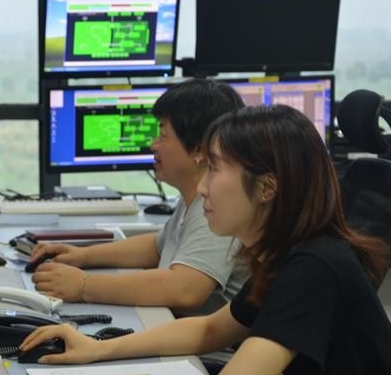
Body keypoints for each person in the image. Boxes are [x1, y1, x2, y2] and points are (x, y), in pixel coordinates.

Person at [21, 105, 391, 375]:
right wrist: (96, 349)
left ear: (267, 187)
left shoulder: (314, 269)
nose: (202, 187)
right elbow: (210, 329)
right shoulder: (287, 259)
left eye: (214, 169)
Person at [29, 79, 249, 315]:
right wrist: (83, 255)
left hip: (207, 351)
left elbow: (185, 290)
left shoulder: (216, 209)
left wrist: (83, 285)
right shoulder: (192, 201)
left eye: (163, 136)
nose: (154, 145)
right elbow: (157, 247)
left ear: (198, 149)